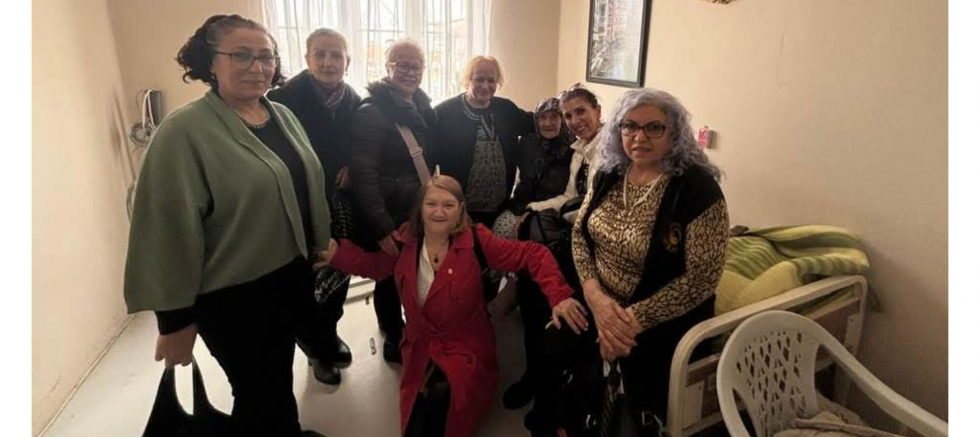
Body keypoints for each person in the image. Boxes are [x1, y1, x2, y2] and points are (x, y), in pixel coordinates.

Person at [123, 15, 330, 436]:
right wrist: (175, 322)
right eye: (241, 55)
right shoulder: (184, 132)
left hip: (287, 280)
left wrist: (320, 242)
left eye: (267, 57)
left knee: (274, 382)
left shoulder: (280, 115)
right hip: (235, 299)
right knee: (260, 392)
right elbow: (166, 229)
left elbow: (299, 188)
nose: (258, 67)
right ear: (210, 62)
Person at [315, 175, 588, 437]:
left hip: (466, 344)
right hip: (421, 343)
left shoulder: (477, 240)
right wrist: (338, 254)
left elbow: (532, 254)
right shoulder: (405, 242)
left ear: (460, 210)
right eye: (431, 204)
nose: (439, 212)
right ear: (420, 209)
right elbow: (376, 266)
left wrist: (560, 296)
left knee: (444, 399)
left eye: (448, 205)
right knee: (415, 425)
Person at [531, 88, 730, 436]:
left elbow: (701, 279)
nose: (639, 137)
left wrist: (626, 322)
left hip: (659, 317)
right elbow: (580, 235)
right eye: (629, 126)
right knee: (551, 342)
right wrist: (594, 297)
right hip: (601, 301)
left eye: (654, 127)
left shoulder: (697, 189)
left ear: (674, 132)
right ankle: (556, 423)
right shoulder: (609, 174)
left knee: (628, 381)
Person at [268, 27, 361, 386]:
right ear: (307, 59)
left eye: (336, 55)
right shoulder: (281, 100)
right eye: (320, 54)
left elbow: (360, 144)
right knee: (305, 282)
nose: (328, 62)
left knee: (337, 271)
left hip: (339, 206)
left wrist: (352, 166)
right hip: (297, 207)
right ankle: (315, 349)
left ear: (347, 62)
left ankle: (330, 333)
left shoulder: (354, 100)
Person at [349, 39, 437, 363]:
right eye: (402, 65)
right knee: (388, 276)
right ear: (387, 68)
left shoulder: (422, 107)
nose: (410, 72)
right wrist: (381, 225)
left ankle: (415, 325)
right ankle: (392, 332)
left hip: (415, 209)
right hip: (389, 212)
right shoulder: (372, 112)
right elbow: (364, 173)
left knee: (414, 271)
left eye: (416, 66)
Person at [497, 96, 576, 411]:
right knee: (531, 302)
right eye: (543, 117)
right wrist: (519, 209)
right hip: (525, 211)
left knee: (550, 305)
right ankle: (512, 291)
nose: (549, 123)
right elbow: (515, 176)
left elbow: (572, 196)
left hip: (557, 224)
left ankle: (554, 378)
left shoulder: (575, 149)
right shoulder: (526, 143)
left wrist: (535, 211)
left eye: (556, 117)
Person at [432, 56, 535, 226]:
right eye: (479, 79)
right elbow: (428, 155)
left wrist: (562, 109)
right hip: (459, 210)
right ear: (468, 80)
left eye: (491, 80)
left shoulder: (506, 109)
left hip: (499, 210)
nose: (485, 86)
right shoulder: (444, 113)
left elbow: (535, 123)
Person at [525, 83, 604, 221]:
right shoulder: (578, 152)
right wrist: (533, 208)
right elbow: (570, 197)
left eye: (581, 111)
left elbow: (600, 207)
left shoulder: (610, 152)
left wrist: (564, 219)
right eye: (568, 116)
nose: (575, 121)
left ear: (598, 111)